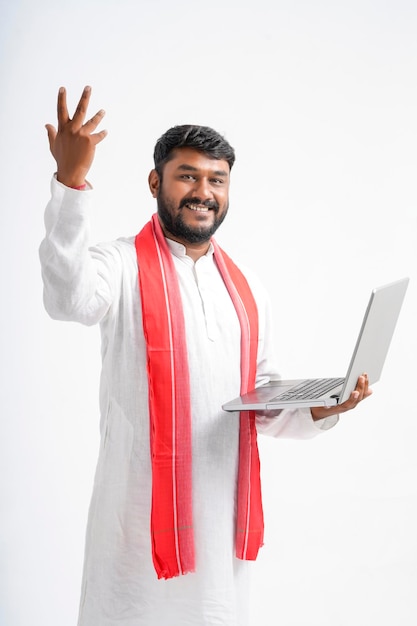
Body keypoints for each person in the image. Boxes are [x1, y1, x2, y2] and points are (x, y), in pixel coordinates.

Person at [39, 86, 371, 626]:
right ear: (156, 182)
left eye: (216, 179)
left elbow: (259, 401)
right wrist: (70, 186)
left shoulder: (243, 289)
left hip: (220, 532)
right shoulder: (120, 265)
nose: (204, 191)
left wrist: (322, 407)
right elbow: (65, 296)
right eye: (188, 175)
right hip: (135, 532)